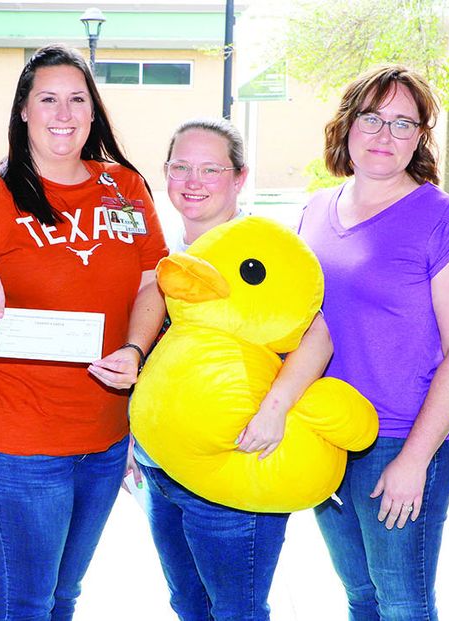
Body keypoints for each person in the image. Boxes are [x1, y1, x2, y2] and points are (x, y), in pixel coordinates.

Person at [0, 44, 167, 620]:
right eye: (48, 99)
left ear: (93, 111)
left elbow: (152, 283)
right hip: (13, 446)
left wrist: (134, 349)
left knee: (63, 596)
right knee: (25, 603)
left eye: (77, 99)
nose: (64, 113)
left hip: (104, 440)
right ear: (24, 112)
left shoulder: (124, 188)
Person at [298, 65, 449, 620]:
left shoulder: (447, 220)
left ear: (421, 138)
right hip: (330, 436)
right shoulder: (314, 210)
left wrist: (414, 459)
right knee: (361, 598)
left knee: (403, 605)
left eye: (404, 124)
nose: (385, 135)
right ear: (347, 125)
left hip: (403, 439)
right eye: (373, 118)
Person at [135, 118, 332, 620]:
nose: (193, 181)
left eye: (210, 169)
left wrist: (274, 409)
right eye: (181, 167)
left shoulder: (260, 250)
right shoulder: (167, 254)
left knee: (237, 612)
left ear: (240, 178)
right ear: (165, 173)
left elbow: (319, 335)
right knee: (188, 604)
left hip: (238, 463)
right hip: (164, 472)